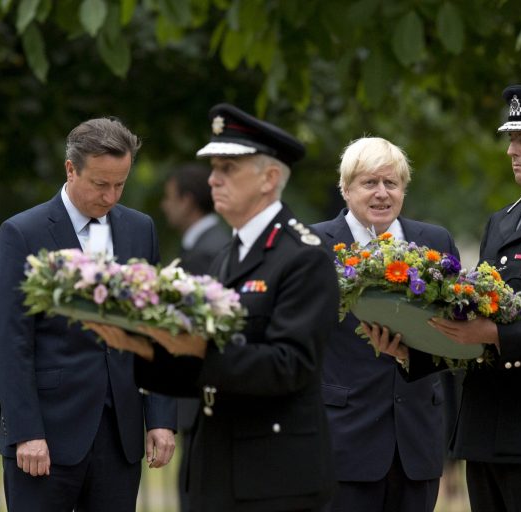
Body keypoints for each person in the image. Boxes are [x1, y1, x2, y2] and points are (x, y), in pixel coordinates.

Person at [86, 103, 339, 511]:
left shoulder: (303, 256)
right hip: (217, 468)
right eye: (213, 167)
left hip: (275, 477)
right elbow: (201, 370)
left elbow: (290, 364)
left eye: (228, 168)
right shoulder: (229, 255)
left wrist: (200, 347)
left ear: (270, 178)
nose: (212, 180)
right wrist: (143, 347)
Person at [371, 85, 521, 512]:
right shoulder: (502, 221)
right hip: (484, 423)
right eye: (511, 139)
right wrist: (409, 351)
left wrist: (494, 333)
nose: (511, 150)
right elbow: (474, 321)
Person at [0, 117, 177, 512]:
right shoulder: (23, 232)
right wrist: (27, 432)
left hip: (119, 433)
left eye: (120, 184)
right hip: (47, 433)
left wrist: (161, 417)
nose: (111, 196)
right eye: (100, 184)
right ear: (70, 169)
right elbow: (11, 341)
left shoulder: (140, 229)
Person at [310, 137, 459, 512]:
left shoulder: (435, 242)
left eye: (391, 183)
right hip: (343, 440)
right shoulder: (312, 245)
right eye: (369, 183)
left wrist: (415, 356)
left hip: (417, 443)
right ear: (345, 189)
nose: (381, 194)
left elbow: (459, 338)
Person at [160, 162, 231, 511]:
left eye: (169, 197)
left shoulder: (205, 251)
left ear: (187, 201)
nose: (164, 205)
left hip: (201, 395)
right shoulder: (213, 242)